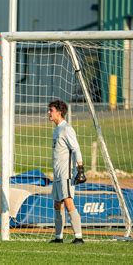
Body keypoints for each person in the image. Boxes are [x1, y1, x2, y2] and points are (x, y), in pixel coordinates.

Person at [47, 100, 86, 244]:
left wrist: (80, 169)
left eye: (51, 110)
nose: (48, 113)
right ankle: (59, 237)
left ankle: (79, 237)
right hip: (57, 174)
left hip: (66, 174)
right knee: (57, 204)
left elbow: (76, 149)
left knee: (68, 202)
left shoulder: (66, 129)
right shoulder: (56, 129)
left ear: (59, 112)